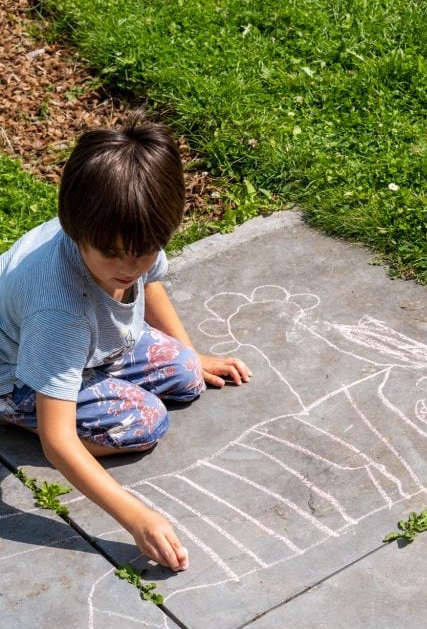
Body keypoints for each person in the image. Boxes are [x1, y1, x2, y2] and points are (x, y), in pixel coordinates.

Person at [0, 114, 251, 571]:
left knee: (185, 374)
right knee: (144, 421)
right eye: (114, 255)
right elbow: (59, 441)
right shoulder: (58, 309)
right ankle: (15, 412)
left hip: (88, 344)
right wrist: (135, 517)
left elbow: (149, 284)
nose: (131, 265)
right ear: (75, 228)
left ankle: (89, 379)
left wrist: (192, 353)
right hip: (17, 368)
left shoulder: (130, 228)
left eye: (146, 251)